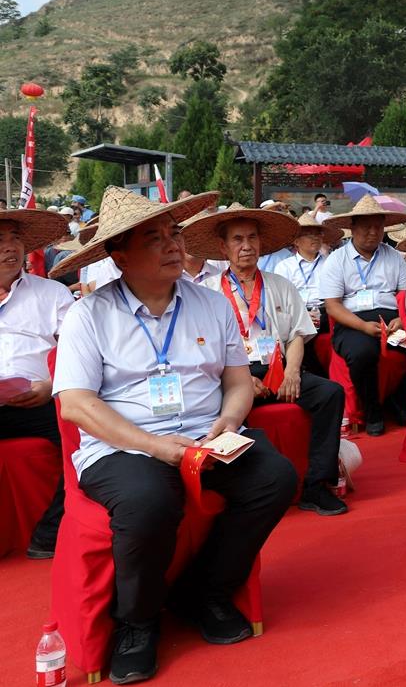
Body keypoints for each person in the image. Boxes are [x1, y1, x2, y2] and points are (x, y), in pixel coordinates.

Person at [50, 187, 298, 683]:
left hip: (207, 436)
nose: (172, 246)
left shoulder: (211, 304)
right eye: (153, 238)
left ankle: (206, 591)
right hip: (126, 445)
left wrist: (229, 421)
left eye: (174, 233)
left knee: (275, 477)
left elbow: (237, 381)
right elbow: (75, 403)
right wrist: (154, 446)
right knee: (149, 501)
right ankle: (137, 622)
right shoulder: (89, 314)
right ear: (119, 255)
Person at [183, 205, 347, 516]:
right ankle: (246, 491)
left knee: (331, 393)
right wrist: (241, 380)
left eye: (252, 238)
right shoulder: (206, 292)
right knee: (213, 407)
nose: (246, 246)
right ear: (223, 248)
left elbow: (296, 335)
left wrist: (293, 372)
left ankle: (315, 486)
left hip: (278, 370)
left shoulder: (280, 284)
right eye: (237, 239)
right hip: (231, 375)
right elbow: (201, 351)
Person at [0, 207, 73, 558]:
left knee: (88, 435)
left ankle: (50, 533)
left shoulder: (53, 294)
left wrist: (51, 384)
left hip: (42, 399)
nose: (9, 247)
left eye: (15, 238)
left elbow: (81, 353)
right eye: (0, 240)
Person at [319, 195, 406, 436]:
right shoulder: (337, 260)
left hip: (392, 319)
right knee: (362, 353)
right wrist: (362, 326)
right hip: (353, 321)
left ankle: (400, 401)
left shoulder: (394, 257)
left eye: (378, 227)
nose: (373, 233)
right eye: (366, 227)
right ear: (352, 228)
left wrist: (402, 319)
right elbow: (332, 306)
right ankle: (373, 412)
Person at [273, 212, 343, 363]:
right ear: (296, 241)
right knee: (296, 326)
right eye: (309, 234)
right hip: (296, 313)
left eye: (318, 234)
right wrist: (302, 314)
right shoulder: (285, 266)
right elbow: (280, 300)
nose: (315, 238)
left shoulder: (331, 263)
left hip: (326, 311)